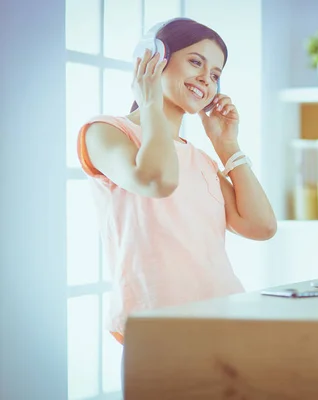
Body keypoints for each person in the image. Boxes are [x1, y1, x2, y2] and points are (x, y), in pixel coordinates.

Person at [76, 18, 277, 347]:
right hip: (158, 328)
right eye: (196, 62)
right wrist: (151, 101)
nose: (206, 79)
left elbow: (261, 226)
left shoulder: (200, 158)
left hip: (226, 318)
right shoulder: (105, 131)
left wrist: (227, 146)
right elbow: (157, 180)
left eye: (215, 74)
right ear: (152, 59)